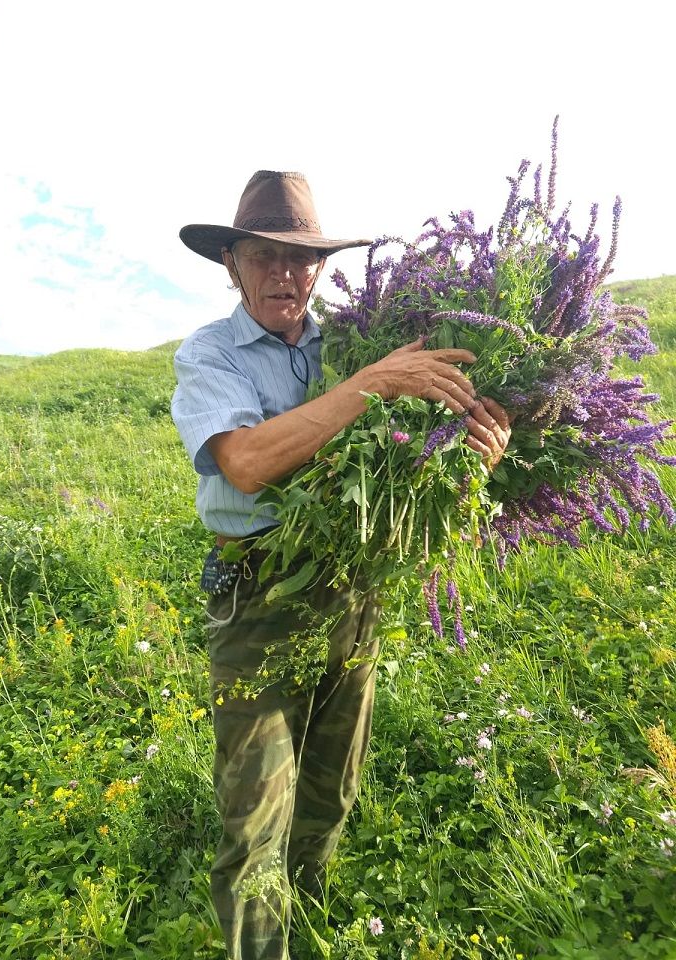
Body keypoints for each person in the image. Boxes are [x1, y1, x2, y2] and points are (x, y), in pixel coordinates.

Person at [171, 170, 511, 960]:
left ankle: (310, 911)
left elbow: (404, 466)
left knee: (332, 783)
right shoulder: (212, 354)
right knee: (254, 812)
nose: (285, 276)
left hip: (353, 586)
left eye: (302, 259)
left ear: (321, 268)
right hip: (257, 595)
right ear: (232, 265)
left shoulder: (351, 340)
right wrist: (370, 386)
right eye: (264, 257)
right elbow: (247, 462)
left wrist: (475, 456)